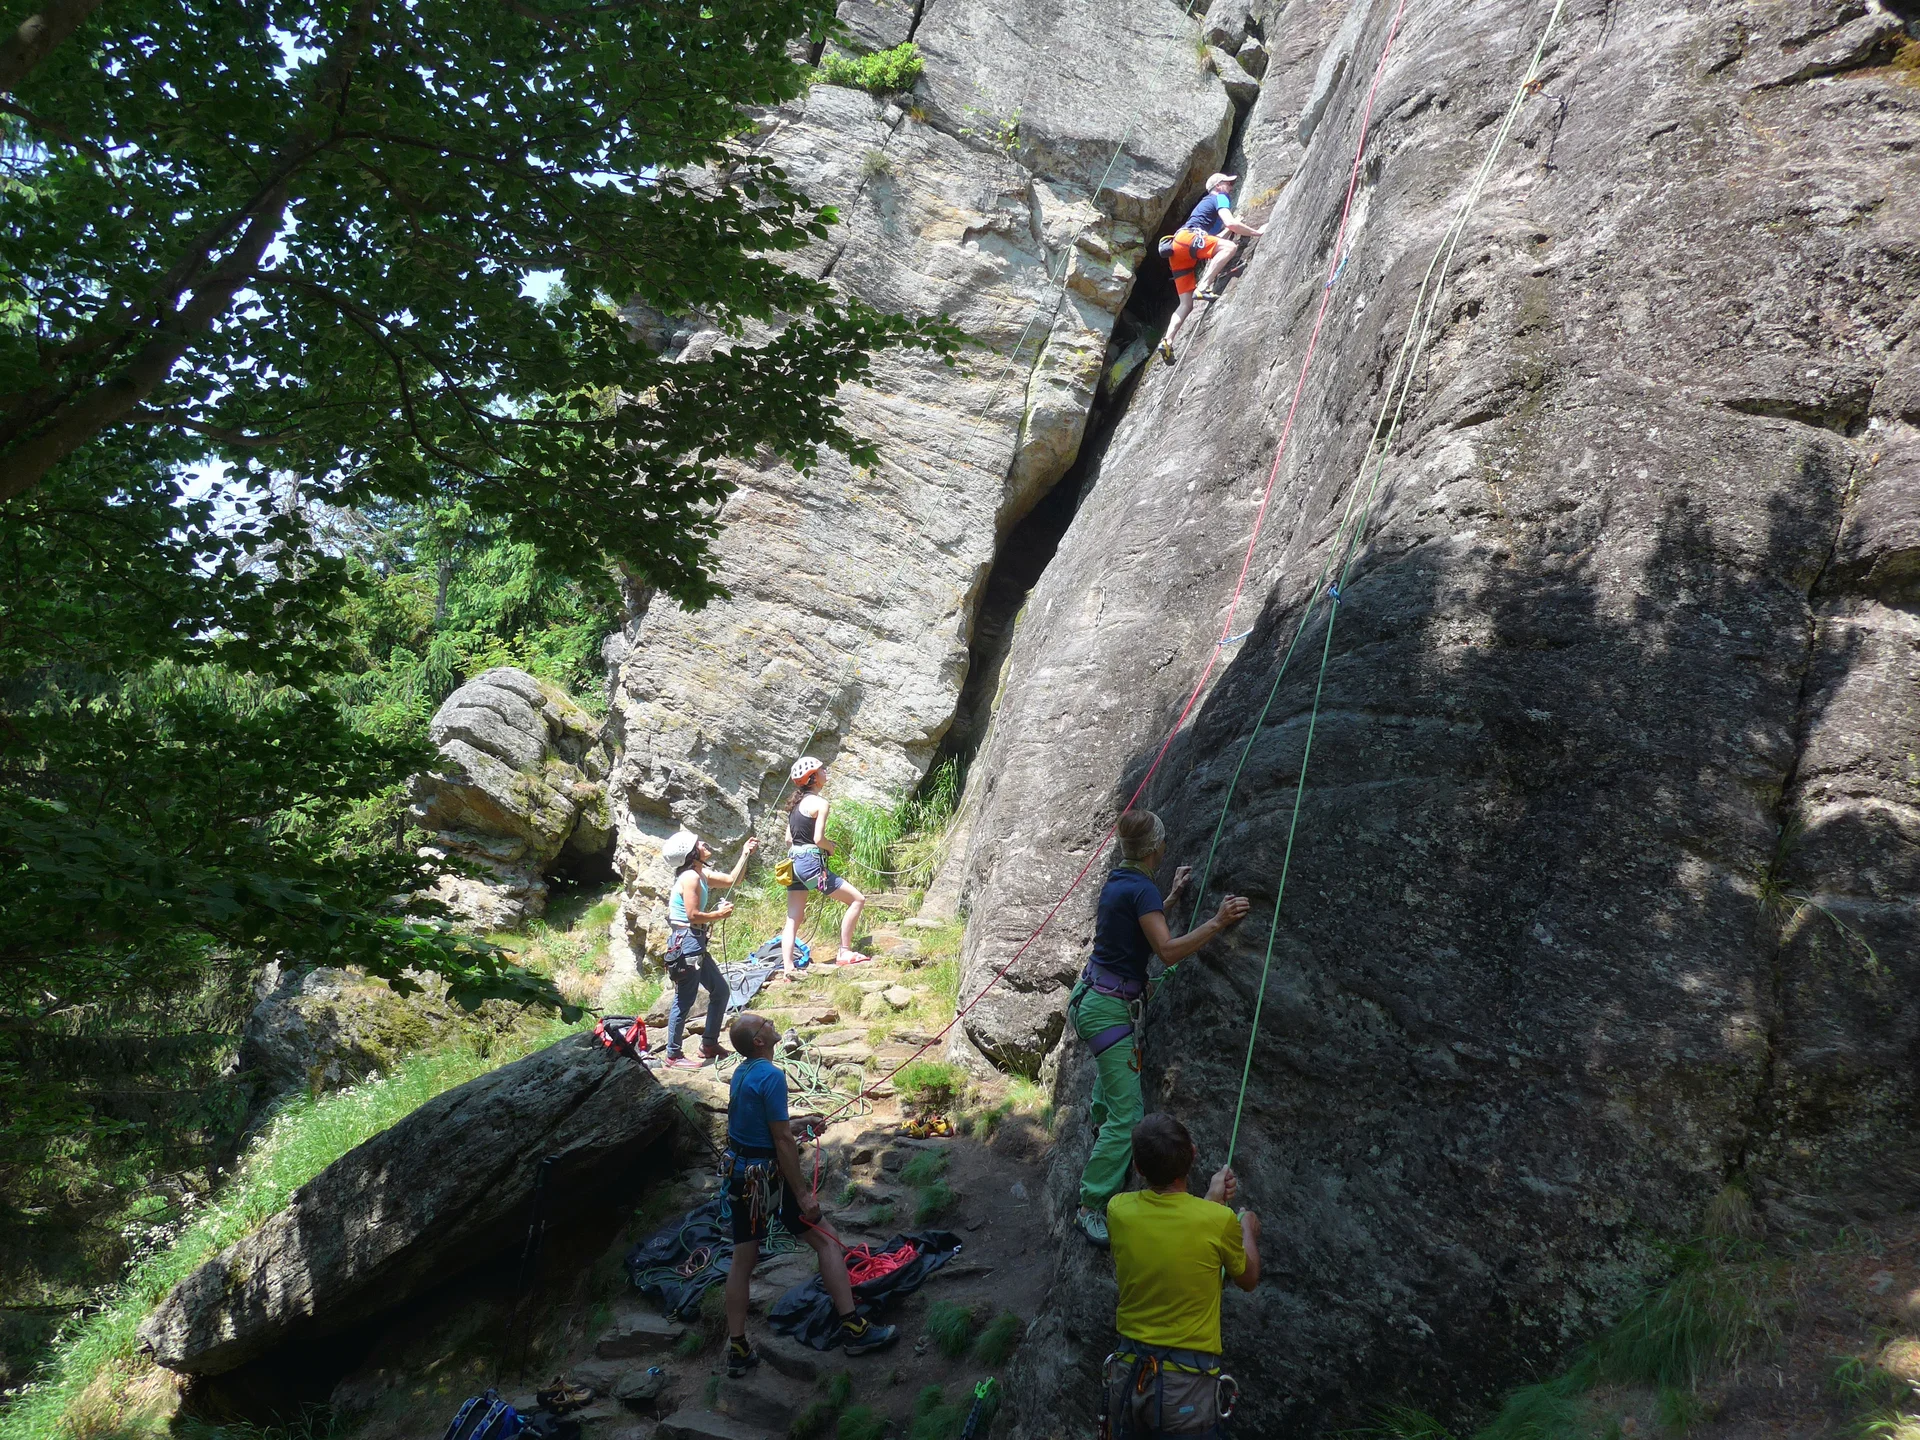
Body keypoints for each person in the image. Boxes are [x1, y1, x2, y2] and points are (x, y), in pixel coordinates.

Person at [1071, 809, 1250, 1248]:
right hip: (1108, 1009)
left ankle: (1103, 1145)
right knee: (1127, 1116)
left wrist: (1167, 900)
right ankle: (1091, 1205)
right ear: (1157, 848)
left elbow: (1136, 925)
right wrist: (1218, 921)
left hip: (1093, 997)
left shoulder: (1123, 881)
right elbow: (1167, 951)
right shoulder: (1140, 889)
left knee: (1110, 1096)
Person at [720, 1011, 899, 1374]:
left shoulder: (742, 1072)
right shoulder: (771, 1075)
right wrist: (802, 1194)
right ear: (759, 1041)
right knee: (828, 1241)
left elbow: (762, 1126)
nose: (771, 1023)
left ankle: (737, 1348)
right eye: (764, 1024)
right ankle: (853, 1328)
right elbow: (782, 1141)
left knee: (743, 1260)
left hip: (741, 1176)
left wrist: (798, 1123)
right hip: (769, 1178)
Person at [1103, 1114, 1262, 1439]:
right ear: (1192, 1153)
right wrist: (1246, 1227)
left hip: (1129, 1380)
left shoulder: (1118, 1211)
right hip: (1186, 1390)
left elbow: (1174, 1236)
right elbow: (1248, 1278)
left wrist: (1211, 1202)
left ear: (1138, 1168)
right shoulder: (1217, 1221)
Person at [660, 828, 756, 1069]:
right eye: (698, 843)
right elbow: (692, 915)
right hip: (688, 942)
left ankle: (709, 1044)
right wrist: (718, 914)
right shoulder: (690, 878)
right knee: (685, 999)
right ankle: (673, 1055)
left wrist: (745, 854)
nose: (703, 843)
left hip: (694, 942)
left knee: (721, 991)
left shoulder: (700, 874)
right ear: (692, 854)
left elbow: (735, 879)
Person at [1159, 173, 1268, 363]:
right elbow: (1230, 222)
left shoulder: (1205, 207)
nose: (1231, 187)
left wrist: (1231, 230)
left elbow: (1213, 240)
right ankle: (1204, 286)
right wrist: (1257, 232)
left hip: (1178, 250)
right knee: (1231, 248)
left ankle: (1167, 341)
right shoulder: (1219, 197)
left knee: (1186, 304)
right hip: (1188, 240)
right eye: (1228, 183)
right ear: (1218, 186)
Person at [780, 756, 872, 969]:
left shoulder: (795, 805)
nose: (825, 772)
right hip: (811, 866)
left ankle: (788, 967)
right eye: (821, 770)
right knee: (857, 900)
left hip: (794, 865)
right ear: (813, 778)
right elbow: (818, 839)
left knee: (793, 918)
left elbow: (788, 839)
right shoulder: (821, 803)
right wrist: (830, 847)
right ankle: (845, 952)